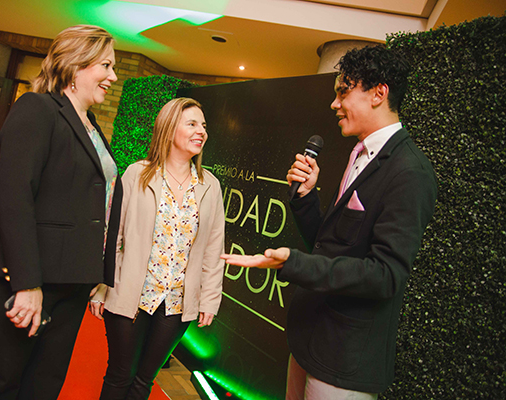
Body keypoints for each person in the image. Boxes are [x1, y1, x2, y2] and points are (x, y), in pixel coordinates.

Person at [221, 45, 437, 399]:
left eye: (343, 92)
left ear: (378, 93)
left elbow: (386, 275)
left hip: (344, 358)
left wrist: (294, 263)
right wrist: (306, 197)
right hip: (311, 338)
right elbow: (330, 244)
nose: (334, 104)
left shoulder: (410, 172)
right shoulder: (360, 154)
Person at [0, 25, 122, 400]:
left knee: (43, 388)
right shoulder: (37, 109)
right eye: (106, 65)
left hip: (73, 282)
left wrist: (98, 272)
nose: (113, 77)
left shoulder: (91, 126)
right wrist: (27, 284)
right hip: (31, 279)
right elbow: (15, 199)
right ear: (76, 64)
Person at [89, 97, 225, 400]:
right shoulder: (137, 174)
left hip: (176, 304)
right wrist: (100, 286)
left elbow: (214, 249)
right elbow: (113, 236)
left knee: (144, 380)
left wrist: (209, 299)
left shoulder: (210, 185)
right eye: (192, 124)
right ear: (169, 128)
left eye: (203, 125)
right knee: (121, 375)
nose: (201, 131)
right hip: (130, 293)